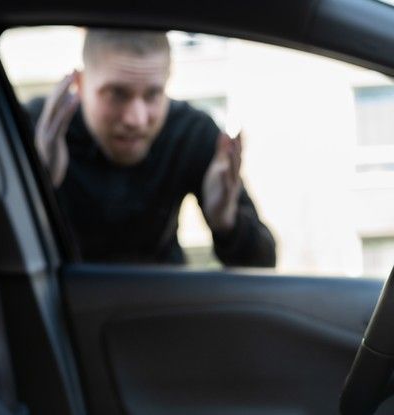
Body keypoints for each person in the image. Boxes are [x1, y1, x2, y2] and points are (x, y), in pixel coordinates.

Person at [28, 28, 276, 266]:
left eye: (152, 95)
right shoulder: (40, 130)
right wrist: (38, 182)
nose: (136, 119)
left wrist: (227, 222)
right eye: (117, 94)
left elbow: (264, 263)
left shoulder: (190, 132)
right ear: (80, 85)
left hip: (162, 291)